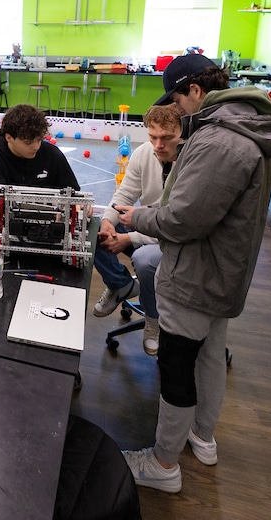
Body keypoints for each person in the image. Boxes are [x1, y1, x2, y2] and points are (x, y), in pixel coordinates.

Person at [116, 53, 271, 494]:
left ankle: (163, 464)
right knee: (210, 357)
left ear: (195, 90)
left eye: (177, 99)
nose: (177, 109)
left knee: (176, 364)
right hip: (225, 271)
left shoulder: (219, 142)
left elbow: (182, 220)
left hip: (195, 275)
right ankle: (202, 437)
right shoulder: (250, 128)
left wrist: (137, 218)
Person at [92, 103, 184, 357]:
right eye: (153, 137)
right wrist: (109, 221)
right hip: (147, 224)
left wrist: (127, 238)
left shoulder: (191, 161)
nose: (158, 145)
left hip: (175, 238)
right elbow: (125, 194)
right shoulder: (144, 153)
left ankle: (153, 320)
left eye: (167, 138)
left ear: (183, 132)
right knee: (94, 228)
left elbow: (174, 220)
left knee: (144, 261)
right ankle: (120, 284)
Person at [0, 103, 80, 193]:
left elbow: (72, 191)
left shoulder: (52, 153)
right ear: (9, 138)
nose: (36, 147)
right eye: (28, 142)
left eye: (39, 140)